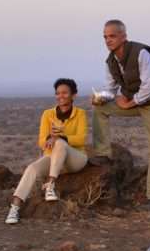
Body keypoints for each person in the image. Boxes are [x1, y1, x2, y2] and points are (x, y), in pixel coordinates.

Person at [90, 19, 150, 210]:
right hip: (133, 101)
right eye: (105, 37)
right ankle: (102, 154)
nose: (108, 40)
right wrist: (100, 97)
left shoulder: (141, 53)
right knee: (100, 109)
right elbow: (111, 88)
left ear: (123, 36)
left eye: (112, 36)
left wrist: (129, 104)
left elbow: (148, 88)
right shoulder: (111, 60)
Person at [5, 78, 88, 225]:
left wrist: (60, 137)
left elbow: (82, 139)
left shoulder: (80, 113)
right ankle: (15, 207)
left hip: (76, 159)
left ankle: (50, 184)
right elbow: (41, 141)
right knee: (32, 168)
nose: (60, 96)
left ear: (73, 95)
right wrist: (49, 139)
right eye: (57, 93)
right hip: (54, 159)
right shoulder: (48, 114)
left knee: (61, 143)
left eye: (64, 93)